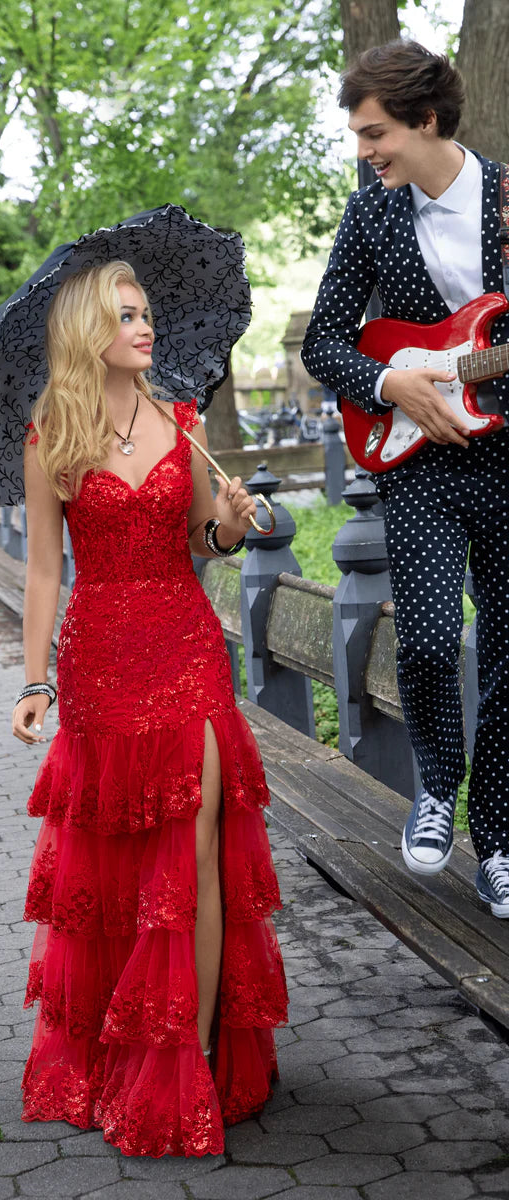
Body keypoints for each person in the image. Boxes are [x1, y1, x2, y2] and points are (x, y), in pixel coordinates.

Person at [11, 261, 288, 1156]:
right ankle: (123, 1049)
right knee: (125, 864)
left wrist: (236, 527)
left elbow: (203, 540)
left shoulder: (183, 421)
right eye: (125, 315)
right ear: (87, 329)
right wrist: (34, 679)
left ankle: (193, 1059)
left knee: (196, 849)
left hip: (186, 646)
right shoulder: (51, 434)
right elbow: (47, 571)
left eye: (147, 314)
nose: (145, 327)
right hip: (100, 663)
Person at [302, 40, 509, 917]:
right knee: (425, 641)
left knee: (508, 656)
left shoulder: (506, 201)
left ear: (426, 119)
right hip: (413, 460)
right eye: (358, 135)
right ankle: (435, 788)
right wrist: (393, 383)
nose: (365, 151)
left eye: (375, 132)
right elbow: (322, 343)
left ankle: (497, 840)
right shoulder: (371, 214)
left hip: (505, 456)